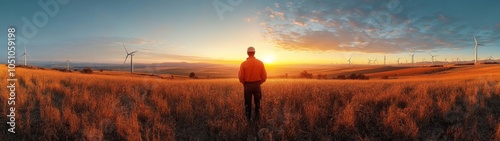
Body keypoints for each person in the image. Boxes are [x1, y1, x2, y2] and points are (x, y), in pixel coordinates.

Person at [238, 46, 267, 121]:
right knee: (258, 103)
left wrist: (245, 83)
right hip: (257, 85)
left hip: (247, 85)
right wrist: (259, 83)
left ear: (247, 53)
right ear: (254, 53)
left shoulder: (243, 64)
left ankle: (248, 120)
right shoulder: (260, 63)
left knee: (247, 103)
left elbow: (241, 77)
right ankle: (257, 120)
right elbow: (264, 76)